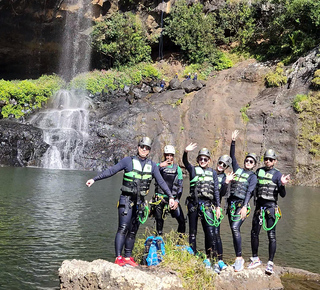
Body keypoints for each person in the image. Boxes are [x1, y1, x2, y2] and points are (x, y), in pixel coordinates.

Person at [86, 137, 175, 267]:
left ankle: (128, 257)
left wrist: (171, 196)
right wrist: (94, 179)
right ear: (138, 147)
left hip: (140, 202)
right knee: (123, 228)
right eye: (142, 147)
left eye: (147, 148)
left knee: (133, 230)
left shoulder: (152, 166)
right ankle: (118, 257)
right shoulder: (128, 161)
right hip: (126, 200)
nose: (144, 149)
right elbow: (112, 170)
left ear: (149, 150)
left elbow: (161, 181)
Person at [248, 149, 290, 274]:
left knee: (271, 235)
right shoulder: (258, 171)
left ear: (275, 161)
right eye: (266, 159)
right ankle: (255, 258)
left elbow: (282, 195)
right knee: (254, 233)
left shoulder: (278, 175)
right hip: (259, 208)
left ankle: (270, 262)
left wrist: (282, 184)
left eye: (270, 159)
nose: (267, 161)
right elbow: (252, 188)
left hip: (271, 208)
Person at [183, 142, 221, 271]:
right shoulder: (193, 170)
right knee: (192, 233)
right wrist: (185, 152)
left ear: (209, 161)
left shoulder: (213, 173)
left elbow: (216, 190)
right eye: (201, 158)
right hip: (194, 204)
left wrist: (218, 206)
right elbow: (185, 163)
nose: (203, 161)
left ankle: (209, 259)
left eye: (205, 159)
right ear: (198, 159)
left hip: (207, 205)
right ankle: (192, 256)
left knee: (210, 233)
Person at [228, 130, 257, 272]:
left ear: (254, 164)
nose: (248, 162)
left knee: (235, 228)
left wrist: (245, 206)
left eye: (251, 161)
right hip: (231, 205)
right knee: (234, 230)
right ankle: (237, 256)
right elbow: (232, 156)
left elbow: (250, 192)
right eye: (247, 160)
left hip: (242, 205)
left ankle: (239, 258)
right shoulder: (237, 170)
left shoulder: (253, 177)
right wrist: (233, 141)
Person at [151, 145, 185, 236]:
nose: (169, 157)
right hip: (160, 198)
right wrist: (159, 167)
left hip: (172, 200)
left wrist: (177, 200)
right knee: (159, 222)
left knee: (182, 221)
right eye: (167, 155)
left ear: (173, 156)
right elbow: (150, 175)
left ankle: (179, 242)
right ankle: (159, 241)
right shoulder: (158, 166)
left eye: (171, 155)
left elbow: (180, 186)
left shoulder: (178, 169)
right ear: (164, 155)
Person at [212, 155, 233, 272]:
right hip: (206, 207)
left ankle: (219, 259)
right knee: (209, 234)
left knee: (216, 233)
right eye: (220, 163)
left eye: (224, 165)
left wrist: (226, 182)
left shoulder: (225, 178)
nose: (221, 166)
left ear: (226, 167)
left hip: (216, 208)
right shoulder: (210, 173)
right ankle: (210, 258)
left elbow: (223, 193)